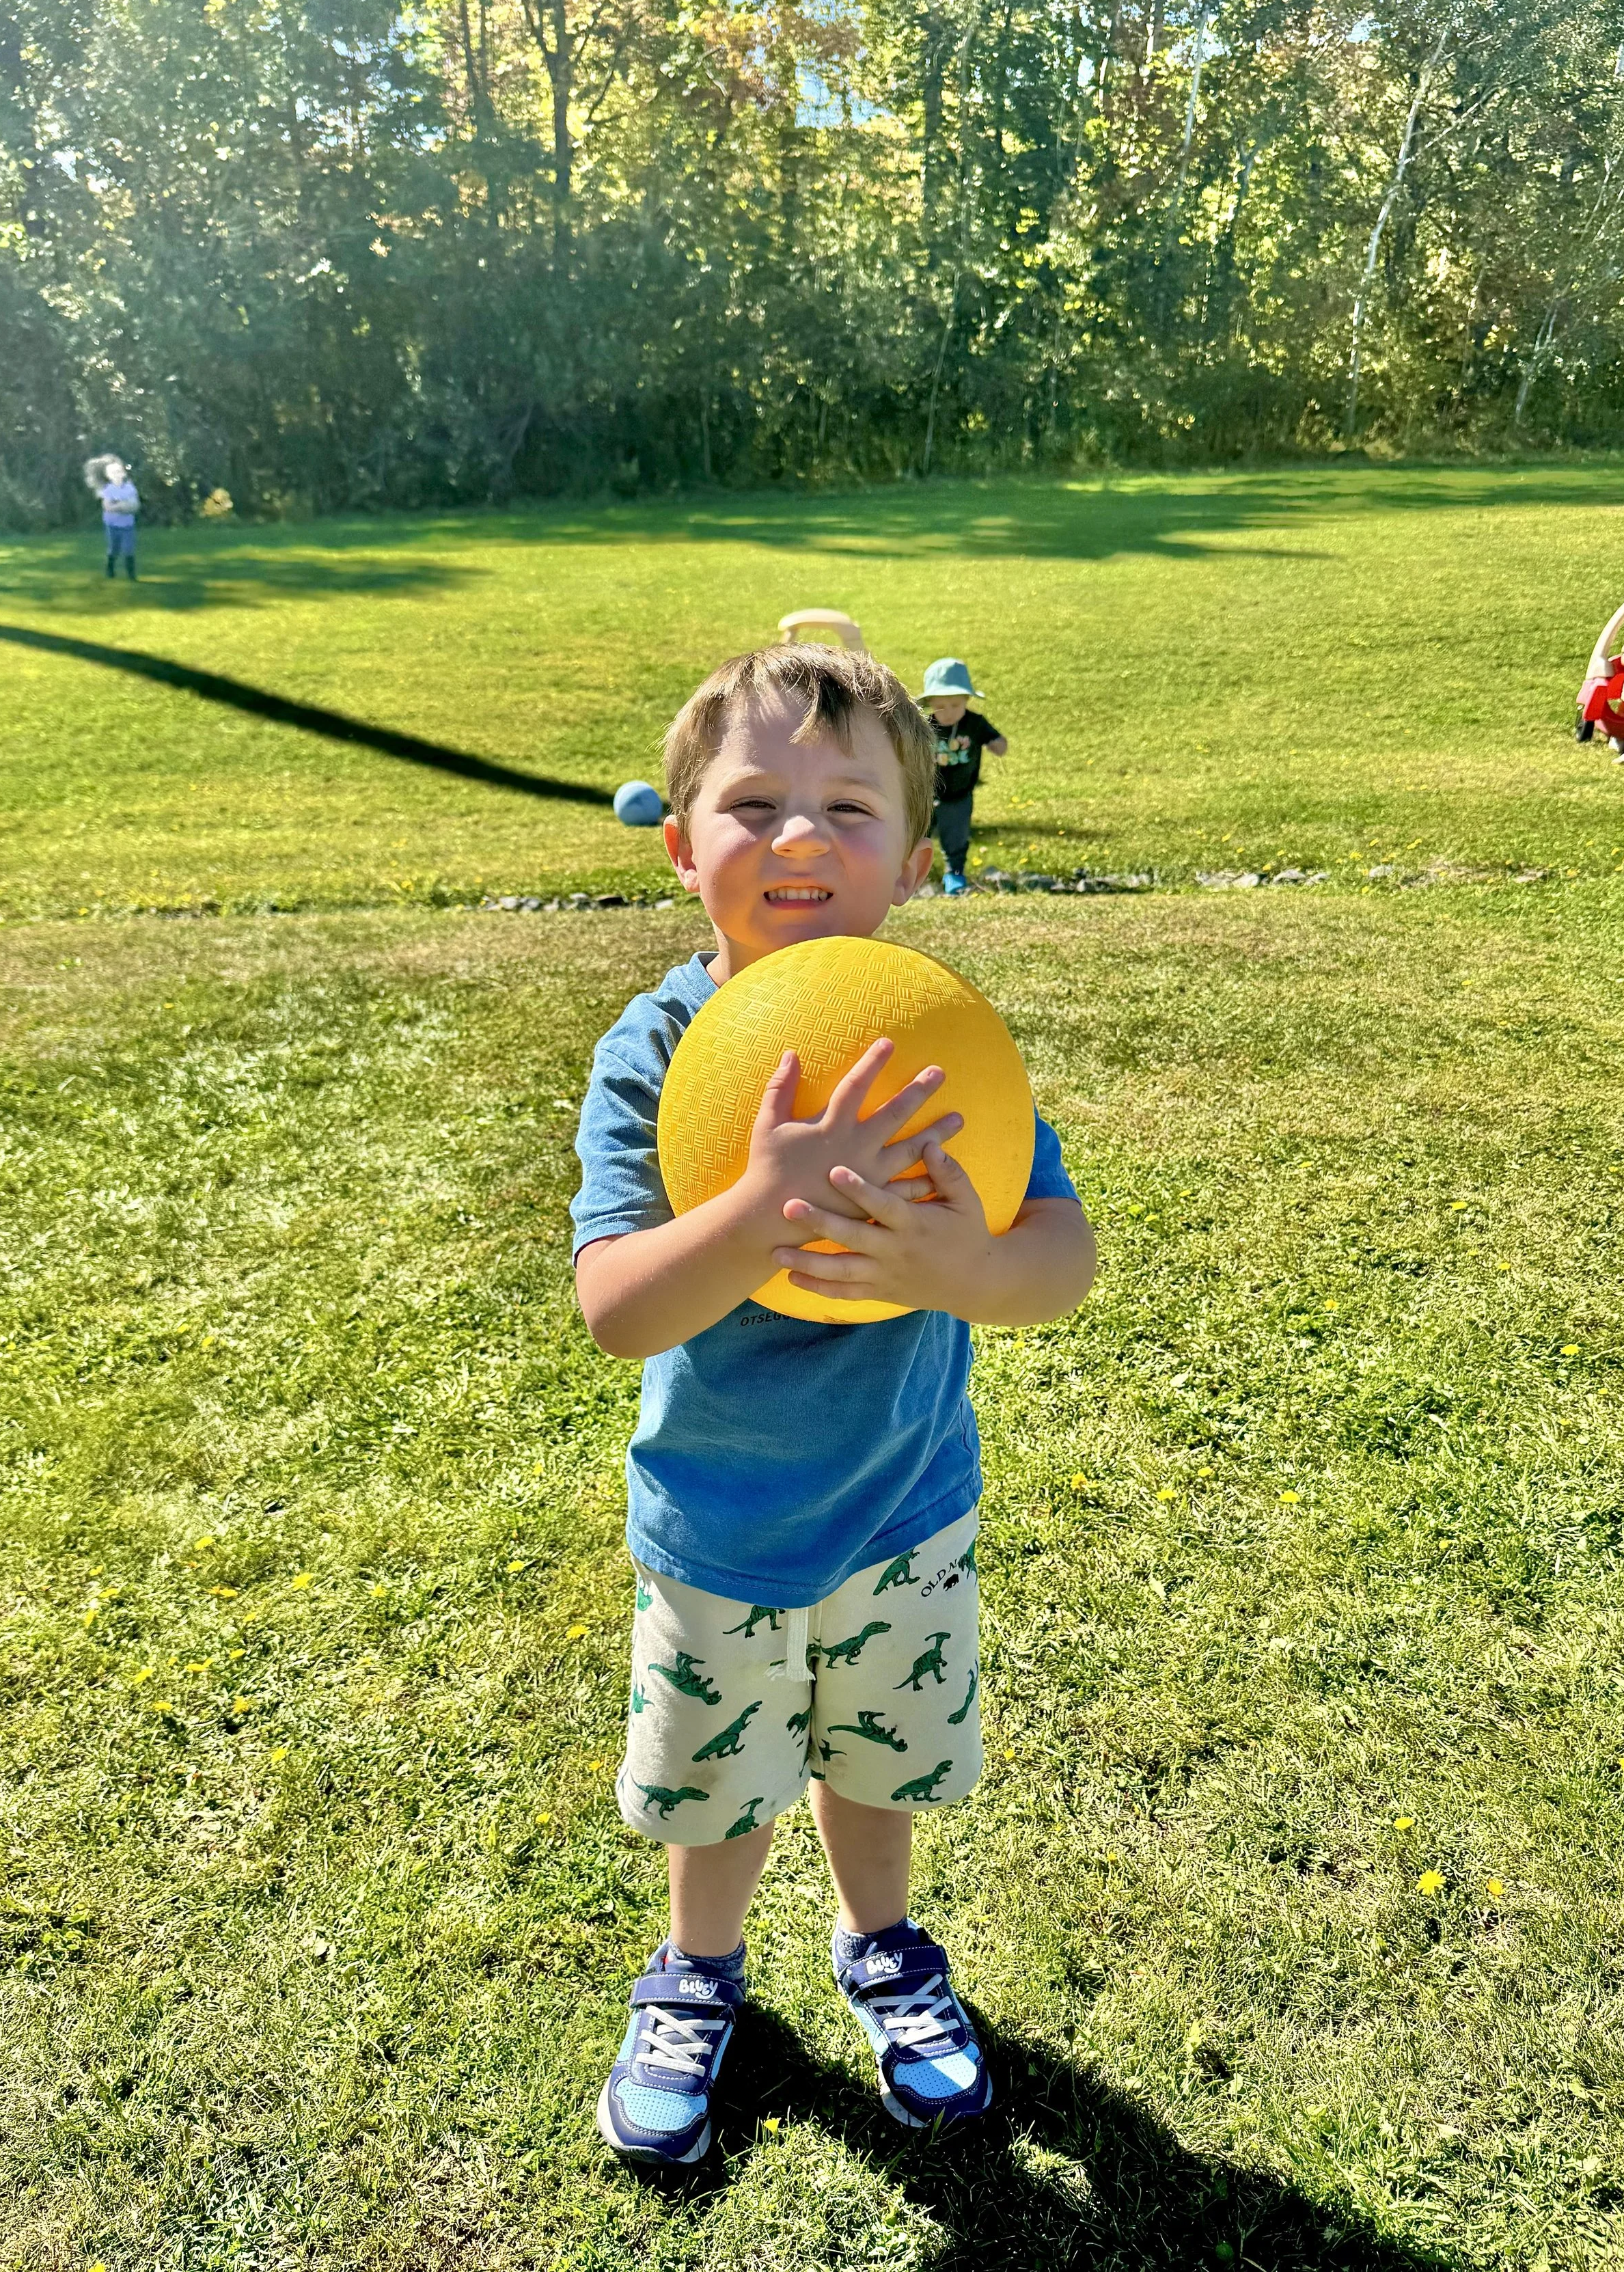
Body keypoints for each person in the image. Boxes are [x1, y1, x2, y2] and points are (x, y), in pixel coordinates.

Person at [570, 642, 1095, 2166]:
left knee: (878, 1758)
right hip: (721, 1521)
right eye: (754, 802)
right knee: (720, 1780)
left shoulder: (935, 1043)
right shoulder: (661, 1050)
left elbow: (1056, 1256)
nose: (799, 835)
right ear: (682, 849)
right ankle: (697, 1973)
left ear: (917, 865)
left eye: (846, 808)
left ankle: (885, 1950)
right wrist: (751, 1212)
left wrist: (951, 1258)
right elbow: (620, 1306)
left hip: (902, 1505)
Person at [918, 659, 1007, 896]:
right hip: (926, 794)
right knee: (917, 835)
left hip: (959, 795)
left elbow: (997, 740)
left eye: (955, 705)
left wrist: (998, 745)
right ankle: (911, 875)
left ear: (967, 700)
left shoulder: (975, 724)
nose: (948, 712)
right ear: (930, 703)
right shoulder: (925, 727)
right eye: (941, 706)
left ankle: (954, 874)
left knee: (956, 837)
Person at [98, 458, 139, 581]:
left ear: (124, 473)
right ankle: (110, 570)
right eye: (114, 473)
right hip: (112, 525)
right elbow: (107, 507)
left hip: (127, 525)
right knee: (114, 548)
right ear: (109, 475)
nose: (117, 475)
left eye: (119, 471)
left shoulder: (130, 488)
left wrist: (119, 505)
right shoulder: (108, 490)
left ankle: (131, 575)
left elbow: (135, 505)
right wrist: (122, 505)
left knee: (129, 549)